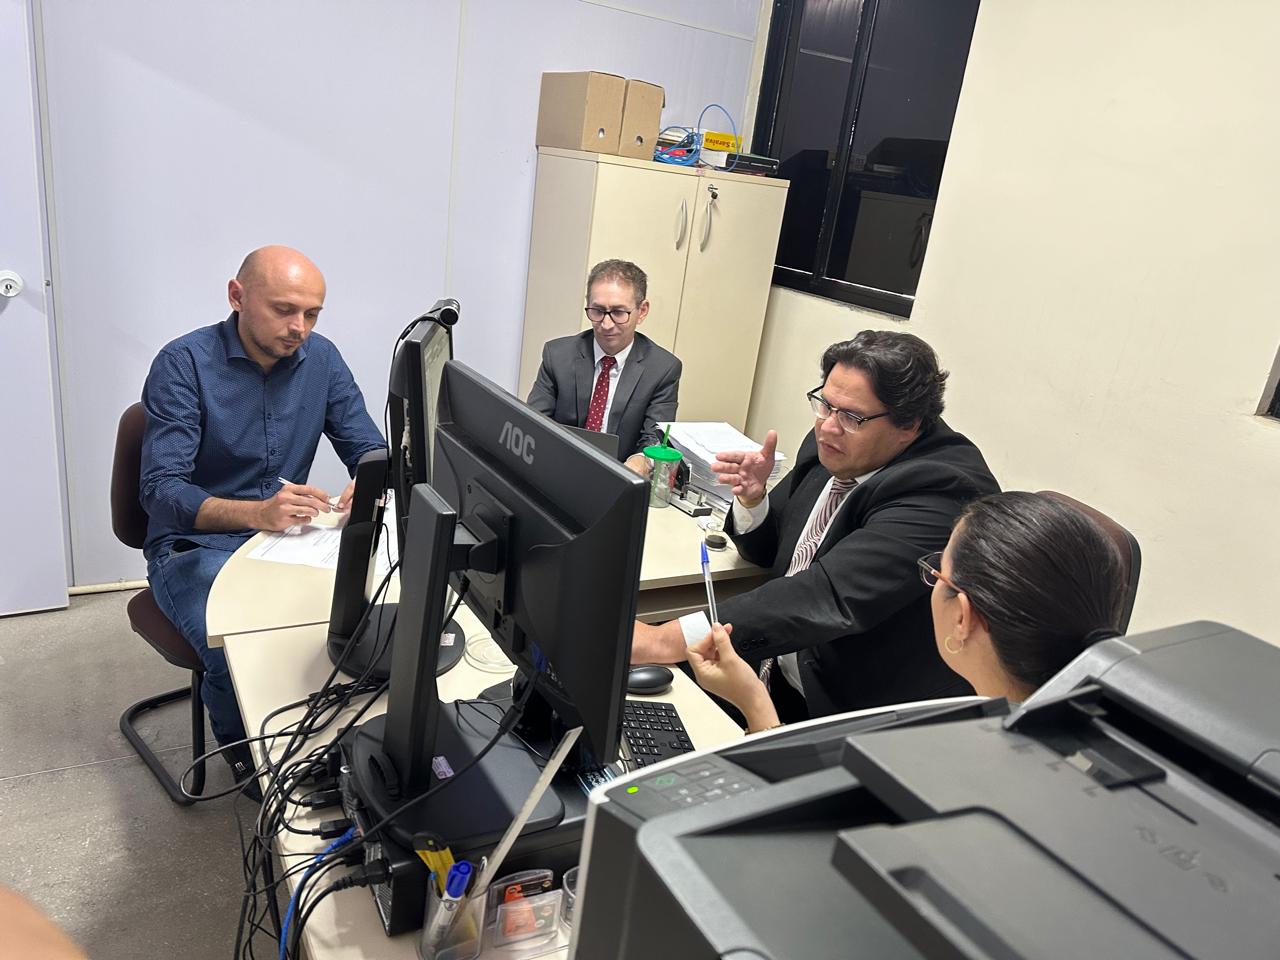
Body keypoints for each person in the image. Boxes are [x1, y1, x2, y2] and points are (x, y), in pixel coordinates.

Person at [631, 330, 1000, 721]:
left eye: (852, 417)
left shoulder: (943, 488)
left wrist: (663, 639)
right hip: (773, 671)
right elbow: (774, 552)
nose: (827, 427)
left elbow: (825, 595)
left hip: (849, 708)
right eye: (825, 404)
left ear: (909, 425)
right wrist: (754, 500)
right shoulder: (834, 443)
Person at [139, 246, 385, 788]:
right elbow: (160, 491)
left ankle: (329, 746)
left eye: (312, 314)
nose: (300, 328)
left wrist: (368, 482)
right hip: (194, 545)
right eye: (284, 310)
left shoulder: (322, 359)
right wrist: (256, 513)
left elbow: (367, 446)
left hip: (289, 537)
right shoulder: (183, 364)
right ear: (237, 296)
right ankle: (253, 770)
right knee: (235, 647)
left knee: (359, 622)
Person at [688, 491, 1127, 732]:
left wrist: (755, 705)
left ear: (963, 617)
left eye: (938, 572)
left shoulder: (944, 746)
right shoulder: (1079, 731)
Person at [527, 259, 681, 476]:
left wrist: (642, 460)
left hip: (621, 476)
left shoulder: (663, 369)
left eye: (618, 312)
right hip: (559, 469)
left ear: (642, 311)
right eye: (598, 311)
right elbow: (534, 421)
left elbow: (655, 438)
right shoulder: (558, 355)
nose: (606, 325)